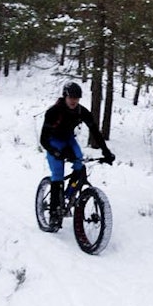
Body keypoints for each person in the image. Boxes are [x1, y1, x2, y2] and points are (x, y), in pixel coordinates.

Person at [40, 82, 116, 228]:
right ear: (65, 97)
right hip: (53, 142)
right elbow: (43, 139)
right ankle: (54, 215)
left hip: (69, 140)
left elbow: (95, 132)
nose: (74, 101)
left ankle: (69, 194)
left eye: (77, 98)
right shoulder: (53, 112)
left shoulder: (82, 112)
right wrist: (55, 152)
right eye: (71, 97)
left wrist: (106, 152)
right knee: (57, 175)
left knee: (79, 163)